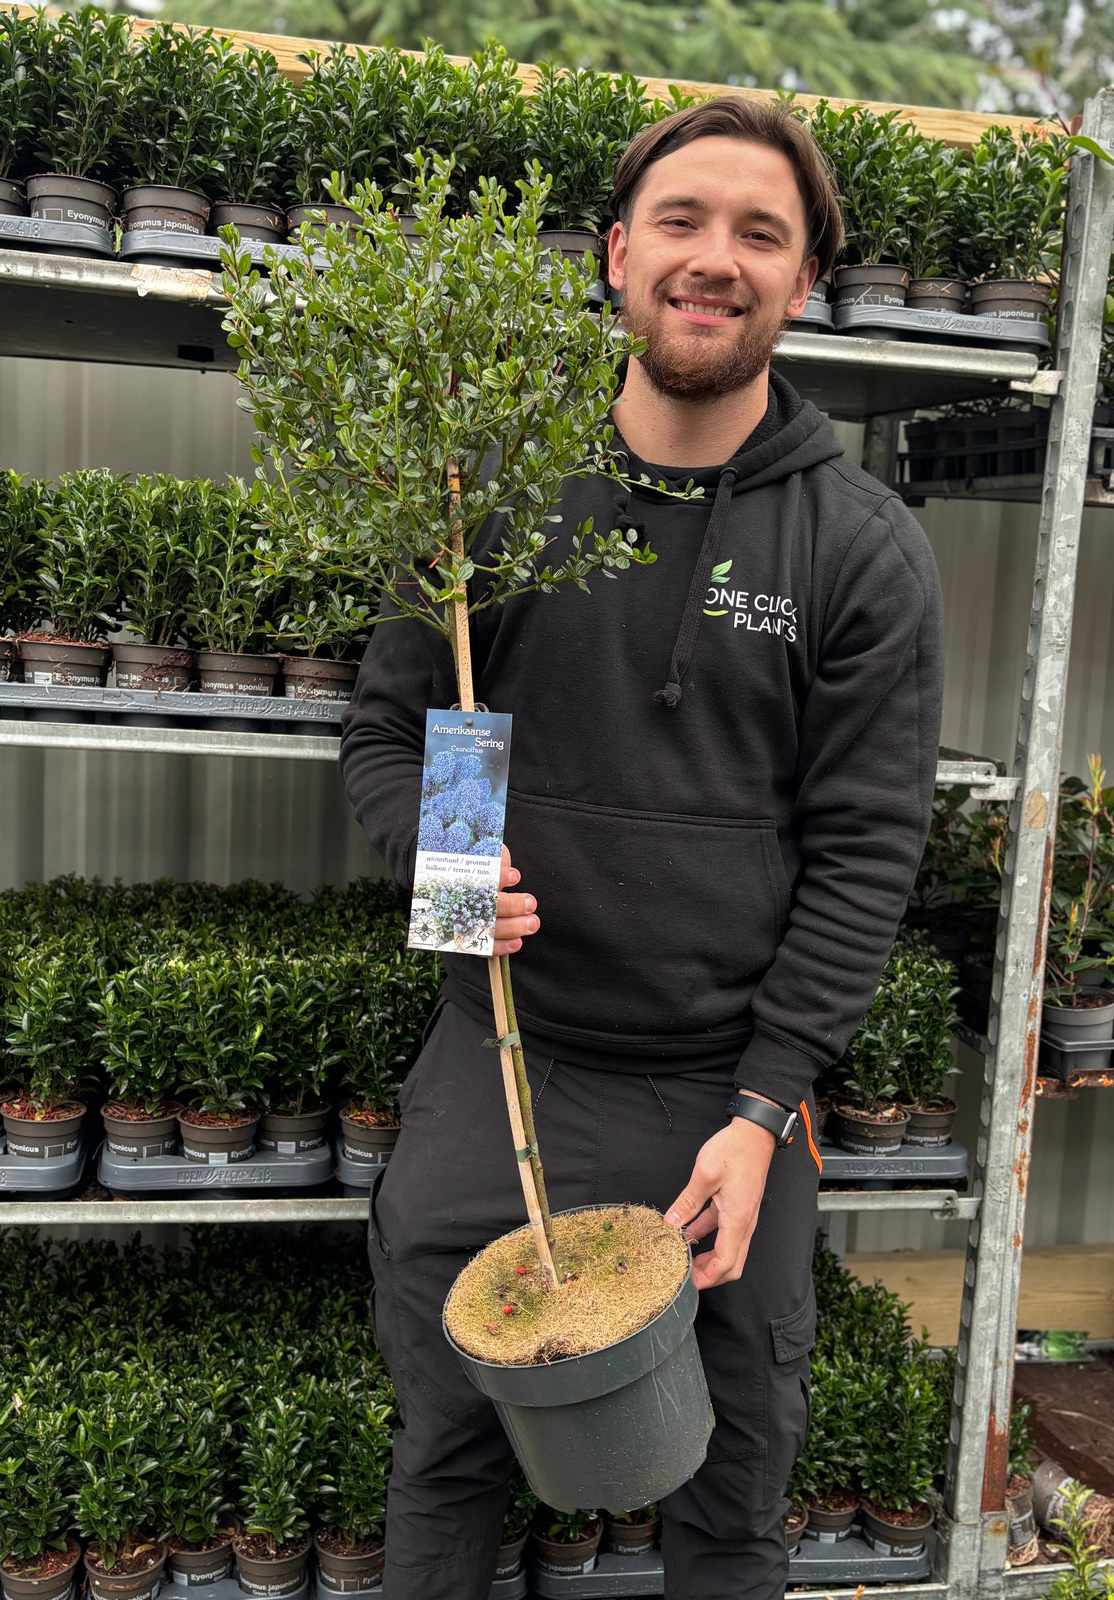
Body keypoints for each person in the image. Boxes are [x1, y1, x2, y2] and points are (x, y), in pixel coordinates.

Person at [339, 94, 944, 1600]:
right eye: (682, 221)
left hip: (720, 1110)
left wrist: (764, 1110)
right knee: (449, 1467)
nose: (715, 258)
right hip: (503, 1072)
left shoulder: (857, 547)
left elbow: (866, 852)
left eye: (762, 234)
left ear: (801, 285)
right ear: (618, 255)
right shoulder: (491, 497)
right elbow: (410, 733)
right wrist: (456, 881)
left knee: (730, 1499)